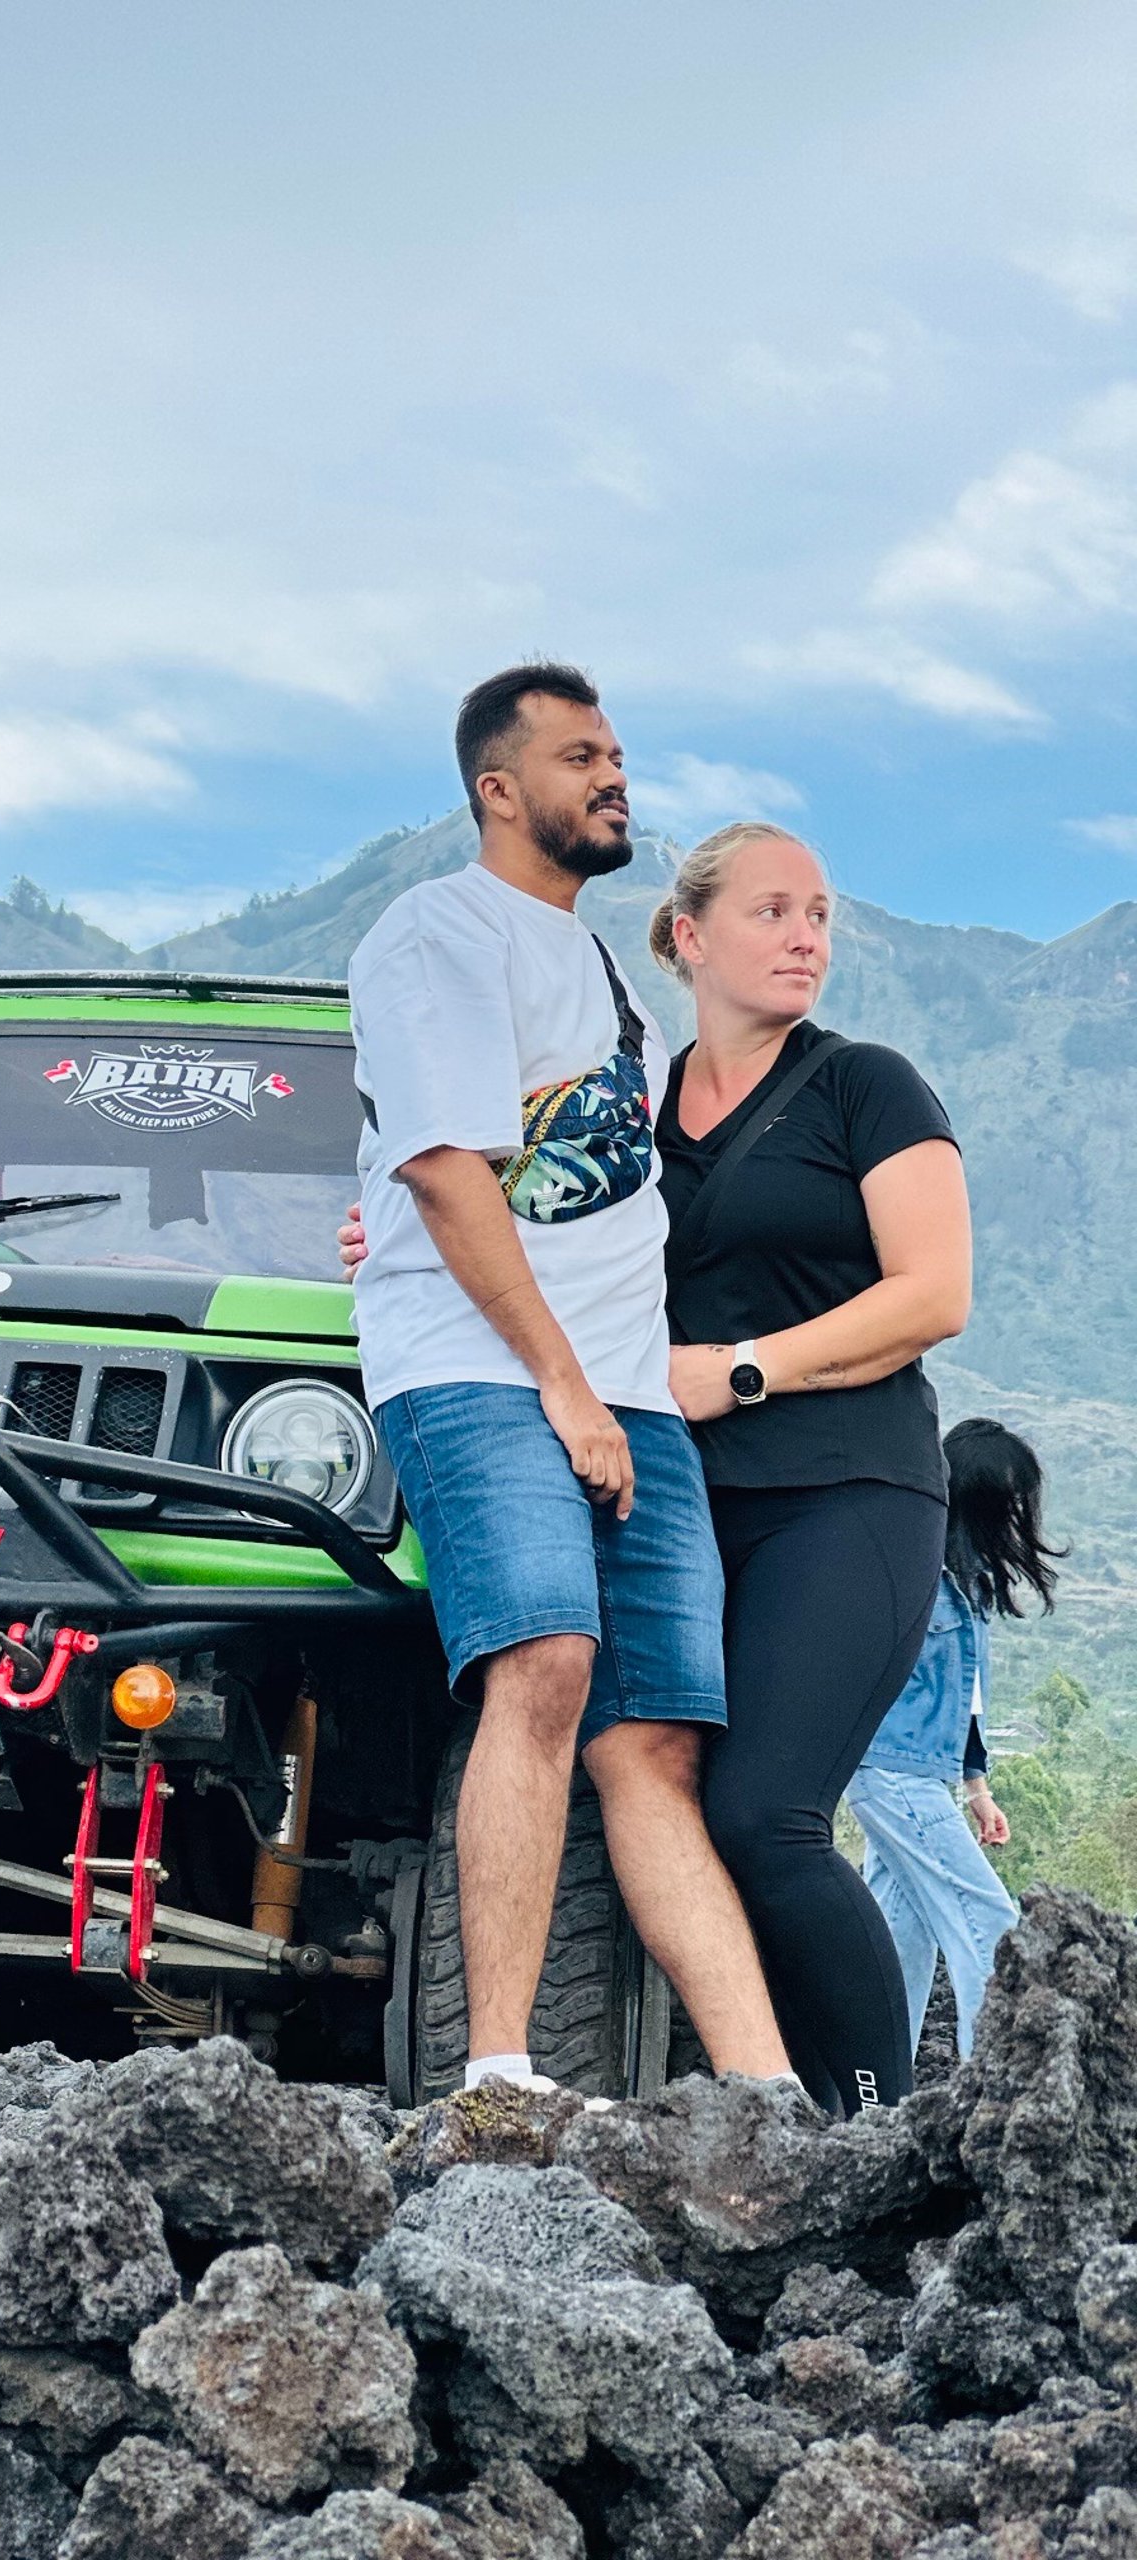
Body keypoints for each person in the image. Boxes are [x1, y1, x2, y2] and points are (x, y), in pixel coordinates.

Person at [345, 809, 974, 2114]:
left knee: (766, 1818)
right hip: (683, 1503)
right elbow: (503, 1214)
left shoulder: (868, 1086)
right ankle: (754, 2103)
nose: (806, 937)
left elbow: (934, 1295)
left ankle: (877, 2126)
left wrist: (742, 1366)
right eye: (773, 911)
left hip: (846, 1493)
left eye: (819, 917)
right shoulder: (628, 1108)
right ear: (687, 937)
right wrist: (391, 1238)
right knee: (664, 1792)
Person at [347, 662, 794, 2100]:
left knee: (655, 1741)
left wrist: (622, 1388)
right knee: (541, 1664)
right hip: (485, 1374)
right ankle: (497, 2072)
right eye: (579, 757)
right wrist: (565, 1387)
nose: (613, 777)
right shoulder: (439, 933)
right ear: (499, 788)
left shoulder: (609, 978)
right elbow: (446, 1173)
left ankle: (768, 2095)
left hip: (628, 1396)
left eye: (616, 754)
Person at [843, 1417, 1059, 2059]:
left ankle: (879, 2106)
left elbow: (967, 1696)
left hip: (918, 1770)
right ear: (982, 1498)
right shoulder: (910, 1568)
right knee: (988, 1923)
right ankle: (992, 2090)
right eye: (1013, 1499)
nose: (1021, 1514)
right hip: (888, 1768)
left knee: (902, 1936)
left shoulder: (971, 1585)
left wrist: (977, 1787)